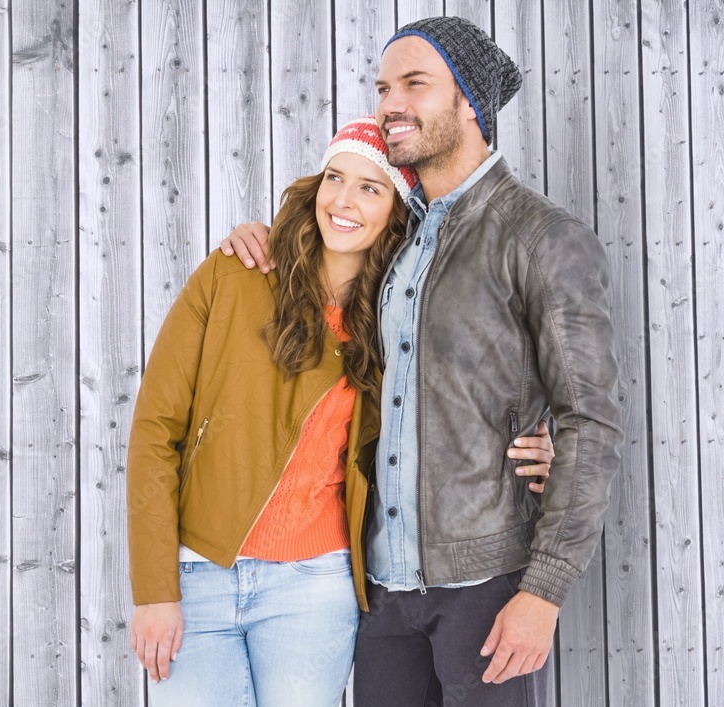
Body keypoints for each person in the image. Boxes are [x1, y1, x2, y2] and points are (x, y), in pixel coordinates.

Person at [221, 16, 623, 707]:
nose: (389, 104)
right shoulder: (393, 239)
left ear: (470, 101)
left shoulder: (540, 237)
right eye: (382, 87)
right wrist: (259, 237)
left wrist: (544, 591)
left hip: (487, 586)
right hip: (382, 593)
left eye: (414, 83)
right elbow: (314, 296)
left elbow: (590, 418)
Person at [127, 116, 555, 707]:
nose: (344, 201)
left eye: (370, 187)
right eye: (335, 177)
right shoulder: (235, 272)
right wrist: (154, 589)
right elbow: (154, 431)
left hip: (315, 588)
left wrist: (537, 444)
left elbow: (459, 405)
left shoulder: (394, 327)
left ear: (396, 213)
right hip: (197, 575)